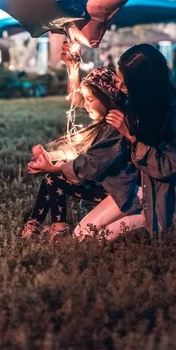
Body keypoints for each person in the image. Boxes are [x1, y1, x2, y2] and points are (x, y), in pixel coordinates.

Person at [61, 43, 176, 240]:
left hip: (160, 200)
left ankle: (147, 221)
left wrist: (131, 137)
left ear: (141, 83)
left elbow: (167, 168)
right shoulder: (134, 99)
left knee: (89, 237)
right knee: (81, 235)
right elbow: (88, 100)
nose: (118, 86)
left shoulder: (172, 115)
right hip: (132, 191)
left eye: (124, 82)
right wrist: (72, 68)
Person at [22, 66, 140, 241]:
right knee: (51, 179)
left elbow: (92, 165)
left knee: (54, 179)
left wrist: (53, 168)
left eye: (90, 99)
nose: (85, 105)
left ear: (107, 99)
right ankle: (35, 226)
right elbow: (80, 151)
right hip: (108, 187)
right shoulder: (105, 124)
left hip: (119, 192)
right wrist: (51, 157)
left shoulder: (114, 128)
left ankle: (59, 231)